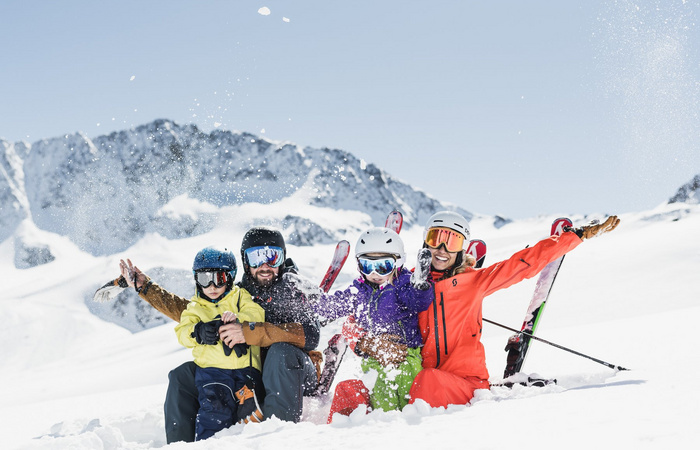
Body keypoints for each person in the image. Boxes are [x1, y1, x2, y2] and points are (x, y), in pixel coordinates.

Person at [119, 226, 321, 443]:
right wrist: (146, 288)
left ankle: (277, 440)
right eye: (256, 257)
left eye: (272, 256)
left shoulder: (293, 288)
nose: (264, 265)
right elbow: (194, 310)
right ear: (245, 262)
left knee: (279, 353)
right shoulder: (239, 291)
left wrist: (250, 332)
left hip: (295, 373)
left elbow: (310, 335)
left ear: (282, 259)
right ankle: (180, 445)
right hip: (253, 375)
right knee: (182, 375)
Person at [407, 211, 621, 408]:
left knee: (428, 379)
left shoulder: (473, 282)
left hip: (465, 383)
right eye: (436, 239)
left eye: (453, 241)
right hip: (420, 379)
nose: (442, 249)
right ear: (426, 242)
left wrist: (577, 235)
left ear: (461, 248)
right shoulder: (408, 283)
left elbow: (521, 264)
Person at [311, 227, 435, 421]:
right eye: (368, 266)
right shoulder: (359, 289)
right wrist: (316, 304)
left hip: (405, 356)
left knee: (401, 392)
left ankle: (404, 425)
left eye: (384, 266)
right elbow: (338, 304)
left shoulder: (401, 284)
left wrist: (421, 286)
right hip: (374, 357)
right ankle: (381, 425)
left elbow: (418, 302)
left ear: (398, 262)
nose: (375, 273)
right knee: (380, 393)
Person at [173, 247, 265, 440]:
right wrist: (197, 331)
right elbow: (182, 332)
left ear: (230, 278)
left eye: (219, 278)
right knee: (214, 416)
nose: (212, 286)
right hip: (212, 375)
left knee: (249, 422)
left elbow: (256, 313)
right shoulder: (195, 308)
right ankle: (209, 443)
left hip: (246, 374)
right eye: (205, 279)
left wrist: (239, 322)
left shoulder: (240, 297)